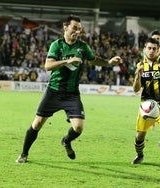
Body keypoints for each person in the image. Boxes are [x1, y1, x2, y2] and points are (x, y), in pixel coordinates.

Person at [16, 15, 122, 163]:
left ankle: (66, 141)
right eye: (74, 28)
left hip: (72, 93)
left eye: (79, 29)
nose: (77, 32)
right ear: (65, 28)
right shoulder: (57, 45)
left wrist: (109, 62)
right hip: (53, 91)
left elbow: (94, 60)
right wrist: (68, 60)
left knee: (78, 127)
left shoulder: (83, 47)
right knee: (38, 123)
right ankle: (24, 154)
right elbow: (48, 66)